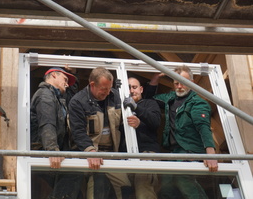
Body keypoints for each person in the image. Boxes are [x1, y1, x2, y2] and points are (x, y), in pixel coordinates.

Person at [146, 65, 218, 199]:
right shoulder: (170, 98)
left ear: (191, 83)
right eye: (176, 83)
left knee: (184, 181)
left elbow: (203, 127)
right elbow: (150, 99)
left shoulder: (197, 103)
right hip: (173, 153)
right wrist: (155, 79)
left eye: (183, 83)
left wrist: (211, 154)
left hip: (190, 152)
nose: (179, 86)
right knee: (166, 188)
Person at [68, 67, 132, 199]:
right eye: (104, 89)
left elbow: (123, 124)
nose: (108, 93)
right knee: (97, 184)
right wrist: (90, 151)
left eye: (110, 88)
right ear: (92, 85)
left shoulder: (115, 96)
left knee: (125, 187)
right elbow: (78, 131)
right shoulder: (77, 101)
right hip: (88, 155)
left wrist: (135, 117)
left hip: (112, 154)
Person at [30, 67, 83, 199]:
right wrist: (53, 150)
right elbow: (47, 123)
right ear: (53, 75)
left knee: (74, 193)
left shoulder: (57, 97)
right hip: (42, 151)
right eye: (65, 79)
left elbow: (72, 94)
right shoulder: (45, 95)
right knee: (73, 175)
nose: (66, 83)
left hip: (50, 151)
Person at [122, 77, 161, 199]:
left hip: (146, 154)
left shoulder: (149, 103)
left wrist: (136, 108)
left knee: (143, 190)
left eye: (134, 87)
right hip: (124, 158)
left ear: (141, 89)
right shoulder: (122, 107)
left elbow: (155, 122)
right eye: (128, 87)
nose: (132, 90)